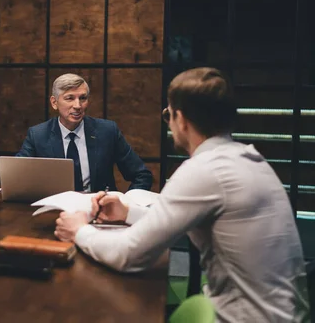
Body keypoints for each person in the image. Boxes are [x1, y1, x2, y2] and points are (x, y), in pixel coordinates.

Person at [54, 68, 309, 322]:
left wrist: (79, 230)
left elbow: (130, 255)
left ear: (182, 119)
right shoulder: (249, 160)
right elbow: (175, 222)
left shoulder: (204, 170)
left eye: (168, 115)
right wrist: (129, 212)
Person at [16, 73, 152, 192]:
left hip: (98, 211)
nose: (77, 106)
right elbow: (17, 177)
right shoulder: (38, 135)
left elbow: (142, 175)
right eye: (69, 98)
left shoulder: (107, 131)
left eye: (82, 98)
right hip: (55, 211)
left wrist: (126, 205)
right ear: (54, 102)